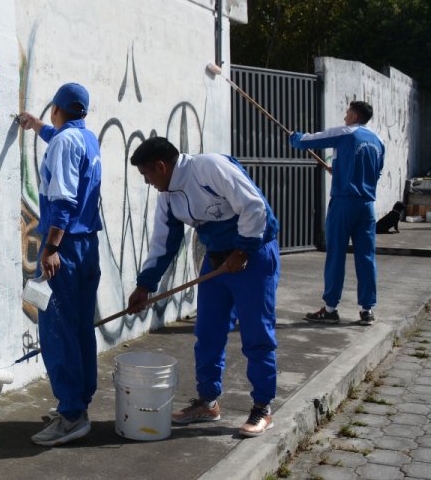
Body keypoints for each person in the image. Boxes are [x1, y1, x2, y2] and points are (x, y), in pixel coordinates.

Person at [127, 137, 281, 438]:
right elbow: (163, 245)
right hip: (217, 262)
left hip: (254, 256)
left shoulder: (210, 167)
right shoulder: (168, 196)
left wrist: (244, 250)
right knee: (208, 332)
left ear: (161, 166)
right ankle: (207, 402)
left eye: (147, 174)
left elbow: (255, 207)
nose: (148, 182)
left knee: (257, 334)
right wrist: (144, 286)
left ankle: (263, 406)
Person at [16, 82, 103, 446]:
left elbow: (64, 201)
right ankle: (78, 404)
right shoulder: (85, 139)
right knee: (79, 326)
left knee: (56, 328)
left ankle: (70, 416)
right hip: (85, 246)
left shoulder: (66, 143)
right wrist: (37, 127)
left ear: (57, 107)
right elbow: (60, 138)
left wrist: (50, 248)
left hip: (62, 248)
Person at [289, 100, 385, 326]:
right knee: (366, 256)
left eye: (347, 112)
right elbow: (375, 172)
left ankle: (331, 308)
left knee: (336, 255)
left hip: (344, 203)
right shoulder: (378, 140)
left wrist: (295, 136)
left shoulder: (346, 133)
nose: (344, 116)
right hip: (367, 206)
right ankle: (366, 310)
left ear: (354, 116)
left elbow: (307, 141)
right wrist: (341, 171)